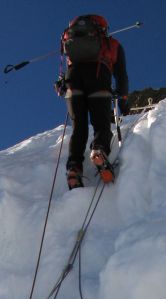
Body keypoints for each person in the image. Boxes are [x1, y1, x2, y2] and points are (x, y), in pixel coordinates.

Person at [57, 14, 129, 189]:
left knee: (78, 127)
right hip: (98, 79)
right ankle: (99, 150)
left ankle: (74, 167)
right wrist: (123, 99)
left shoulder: (71, 42)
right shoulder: (112, 45)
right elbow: (121, 75)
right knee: (101, 122)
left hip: (73, 82)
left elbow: (66, 65)